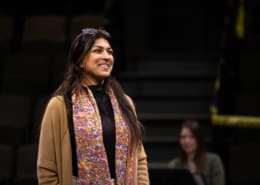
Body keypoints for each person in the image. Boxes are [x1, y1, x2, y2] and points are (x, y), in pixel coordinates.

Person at [37, 28, 150, 185]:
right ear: (81, 61)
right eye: (98, 51)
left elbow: (139, 158)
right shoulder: (60, 106)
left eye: (109, 52)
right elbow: (46, 169)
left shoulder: (125, 102)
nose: (107, 57)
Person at [168, 120, 225, 185]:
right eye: (183, 137)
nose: (187, 141)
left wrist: (196, 175)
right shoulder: (174, 164)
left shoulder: (214, 160)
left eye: (192, 137)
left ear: (199, 139)